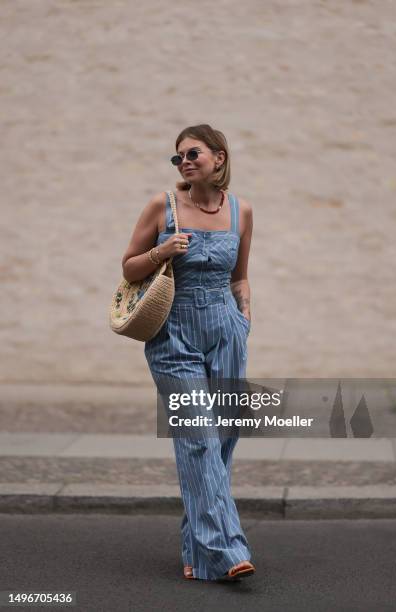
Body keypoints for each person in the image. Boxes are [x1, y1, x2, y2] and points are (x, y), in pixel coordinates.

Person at [121, 124, 255, 582]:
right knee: (197, 439)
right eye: (177, 157)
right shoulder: (164, 205)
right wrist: (162, 251)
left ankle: (197, 556)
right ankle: (226, 551)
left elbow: (240, 276)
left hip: (226, 331)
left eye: (192, 153)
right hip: (173, 334)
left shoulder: (241, 211)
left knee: (221, 444)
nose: (184, 162)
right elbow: (128, 265)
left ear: (219, 157)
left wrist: (245, 318)